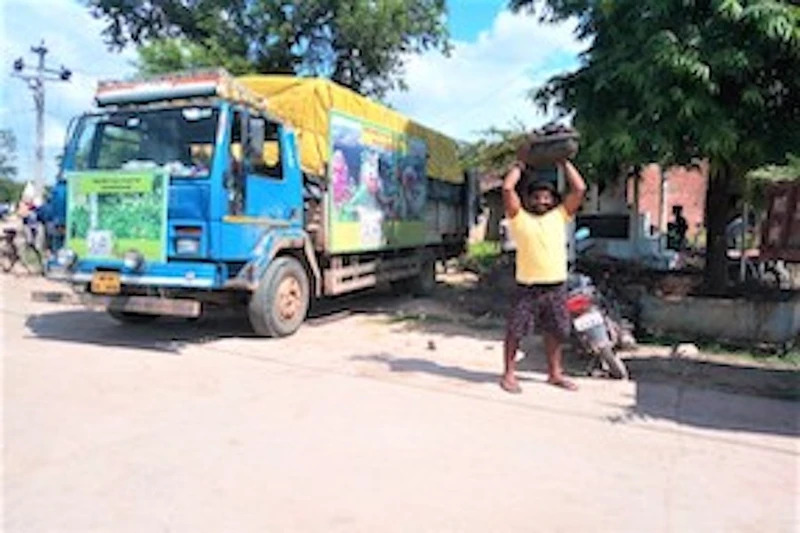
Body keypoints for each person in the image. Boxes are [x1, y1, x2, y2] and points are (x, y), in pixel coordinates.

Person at [500, 157, 587, 394]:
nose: (542, 200)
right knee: (515, 331)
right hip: (527, 286)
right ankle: (508, 374)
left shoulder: (560, 216)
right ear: (528, 200)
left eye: (547, 197)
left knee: (556, 331)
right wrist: (519, 164)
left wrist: (564, 161)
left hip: (555, 286)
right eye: (536, 197)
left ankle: (554, 374)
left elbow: (579, 188)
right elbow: (507, 188)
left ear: (554, 201)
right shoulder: (519, 218)